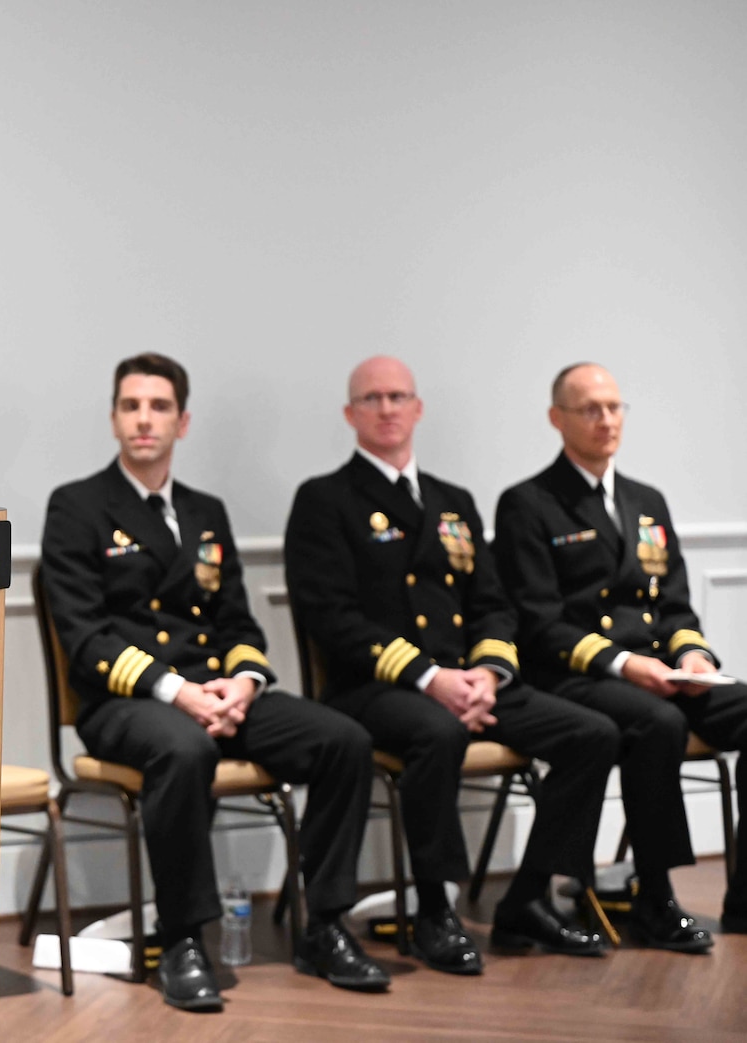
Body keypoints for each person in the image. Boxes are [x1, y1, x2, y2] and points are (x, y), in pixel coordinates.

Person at [41, 353, 387, 1011]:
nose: (145, 419)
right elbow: (85, 640)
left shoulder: (206, 511)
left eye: (160, 406)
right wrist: (180, 693)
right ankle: (182, 940)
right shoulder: (79, 506)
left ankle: (326, 923)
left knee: (344, 739)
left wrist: (245, 684)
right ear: (114, 418)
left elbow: (238, 620)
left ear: (183, 421)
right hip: (127, 703)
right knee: (184, 747)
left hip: (218, 694)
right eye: (132, 405)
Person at [283, 356, 619, 977]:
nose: (388, 409)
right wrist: (429, 679)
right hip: (374, 688)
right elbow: (333, 620)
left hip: (467, 681)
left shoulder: (453, 501)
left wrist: (488, 674)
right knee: (436, 731)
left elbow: (492, 605)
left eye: (399, 396)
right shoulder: (324, 500)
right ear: (350, 414)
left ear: (418, 408)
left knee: (591, 734)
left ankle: (527, 899)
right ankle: (437, 909)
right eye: (373, 398)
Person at [493, 362, 747, 949]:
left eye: (614, 407)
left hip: (664, 668)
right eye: (589, 409)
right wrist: (627, 665)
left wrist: (695, 660)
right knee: (657, 723)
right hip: (576, 674)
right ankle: (653, 898)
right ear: (557, 419)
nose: (606, 420)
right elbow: (538, 621)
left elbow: (677, 607)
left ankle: (746, 898)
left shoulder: (645, 500)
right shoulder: (527, 504)